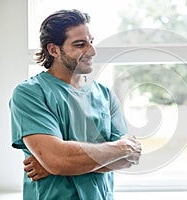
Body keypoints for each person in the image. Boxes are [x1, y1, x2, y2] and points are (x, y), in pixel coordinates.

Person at [9, 9, 142, 200]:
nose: (92, 51)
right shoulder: (29, 94)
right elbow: (58, 160)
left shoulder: (104, 94)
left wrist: (63, 165)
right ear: (54, 50)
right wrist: (121, 148)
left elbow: (130, 159)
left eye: (91, 42)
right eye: (80, 44)